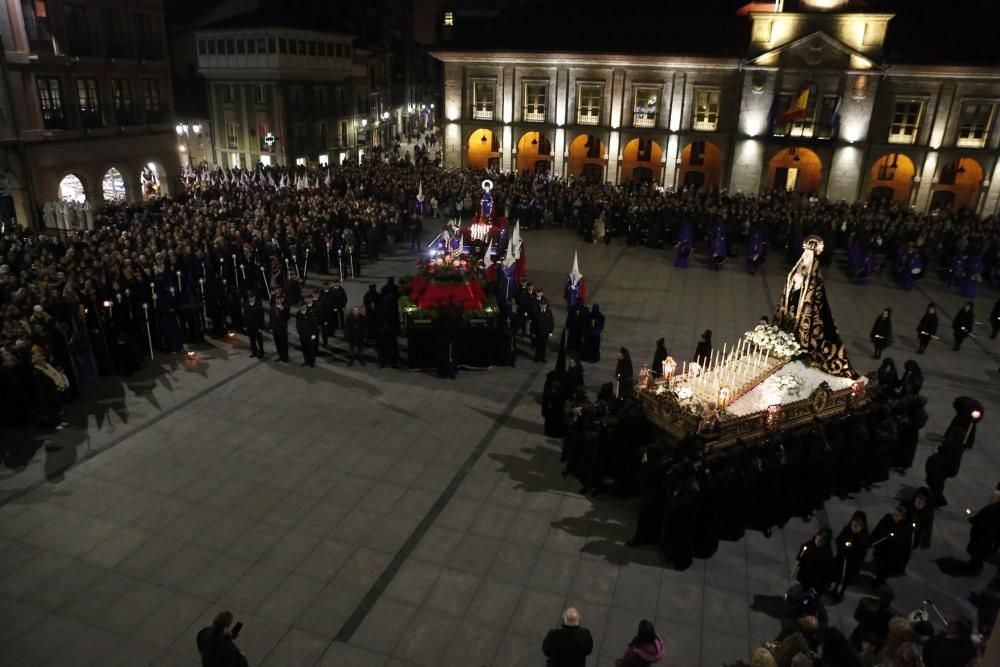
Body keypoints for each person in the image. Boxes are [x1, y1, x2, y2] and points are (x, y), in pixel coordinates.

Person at [870, 506, 913, 585]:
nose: (894, 517)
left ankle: (879, 583)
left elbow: (904, 544)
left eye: (897, 516)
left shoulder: (906, 527)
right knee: (879, 565)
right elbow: (878, 529)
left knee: (885, 569)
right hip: (881, 548)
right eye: (894, 514)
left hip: (892, 554)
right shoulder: (887, 518)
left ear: (903, 517)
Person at [833, 511, 870, 599]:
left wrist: (851, 552)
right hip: (842, 558)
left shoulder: (863, 536)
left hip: (851, 562)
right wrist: (842, 549)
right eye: (855, 521)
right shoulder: (847, 529)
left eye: (859, 522)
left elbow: (862, 551)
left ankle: (841, 591)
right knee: (838, 575)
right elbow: (839, 540)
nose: (856, 524)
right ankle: (835, 588)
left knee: (846, 578)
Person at [965, 486, 1000, 574]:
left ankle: (974, 568)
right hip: (987, 537)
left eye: (993, 497)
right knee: (980, 554)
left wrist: (969, 516)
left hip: (983, 536)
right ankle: (977, 566)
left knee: (977, 553)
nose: (991, 498)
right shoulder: (993, 508)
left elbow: (978, 520)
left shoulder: (991, 510)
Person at [850, 585, 897, 651]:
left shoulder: (865, 602)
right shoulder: (893, 616)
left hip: (859, 636)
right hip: (875, 644)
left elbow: (856, 617)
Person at [795, 527, 834, 595]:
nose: (819, 540)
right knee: (804, 588)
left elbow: (827, 569)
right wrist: (801, 553)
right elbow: (801, 558)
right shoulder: (809, 545)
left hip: (815, 578)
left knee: (810, 593)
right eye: (818, 537)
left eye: (822, 540)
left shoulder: (827, 553)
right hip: (805, 574)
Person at [242, 293, 265, 358]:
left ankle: (261, 352)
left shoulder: (258, 306)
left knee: (259, 340)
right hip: (249, 326)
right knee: (252, 340)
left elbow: (261, 317)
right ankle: (254, 352)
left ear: (254, 297)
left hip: (257, 327)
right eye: (249, 297)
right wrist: (245, 325)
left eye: (252, 297)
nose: (250, 298)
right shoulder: (246, 305)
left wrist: (261, 327)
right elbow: (245, 316)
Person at [295, 301, 317, 367]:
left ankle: (312, 362)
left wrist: (314, 334)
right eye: (301, 306)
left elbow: (314, 324)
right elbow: (297, 324)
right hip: (302, 335)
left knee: (311, 349)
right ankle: (306, 361)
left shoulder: (311, 313)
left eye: (303, 305)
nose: (302, 307)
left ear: (306, 305)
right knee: (304, 349)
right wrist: (299, 332)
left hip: (310, 335)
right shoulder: (298, 313)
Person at [269, 294, 290, 362]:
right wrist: (271, 327)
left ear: (282, 300)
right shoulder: (272, 308)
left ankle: (285, 357)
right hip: (275, 329)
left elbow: (286, 318)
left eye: (279, 299)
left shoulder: (285, 308)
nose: (278, 300)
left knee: (284, 344)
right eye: (277, 299)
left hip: (282, 329)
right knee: (277, 343)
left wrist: (282, 311)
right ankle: (280, 356)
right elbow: (271, 318)